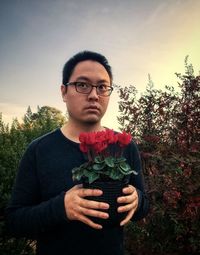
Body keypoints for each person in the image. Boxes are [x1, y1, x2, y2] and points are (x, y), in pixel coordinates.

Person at [6, 51, 149, 255]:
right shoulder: (39, 150)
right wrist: (60, 208)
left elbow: (143, 206)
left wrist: (137, 201)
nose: (93, 95)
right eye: (82, 85)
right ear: (64, 92)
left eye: (102, 87)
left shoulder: (125, 146)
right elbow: (15, 221)